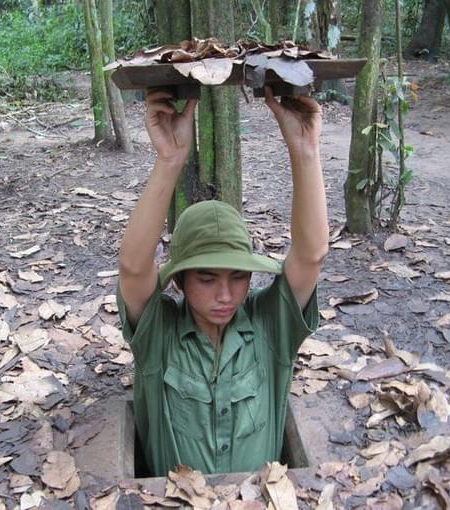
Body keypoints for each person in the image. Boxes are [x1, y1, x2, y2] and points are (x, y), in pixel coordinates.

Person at [117, 86, 329, 477]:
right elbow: (132, 268)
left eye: (239, 277)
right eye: (206, 278)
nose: (226, 294)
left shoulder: (270, 326)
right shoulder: (159, 331)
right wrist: (170, 159)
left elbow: (311, 254)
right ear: (178, 281)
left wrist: (306, 151)